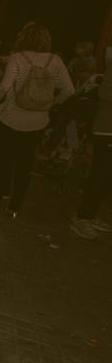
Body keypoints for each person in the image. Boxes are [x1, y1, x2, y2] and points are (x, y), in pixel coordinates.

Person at [0, 23, 74, 218]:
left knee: (2, 164)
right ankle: (14, 208)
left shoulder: (18, 58)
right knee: (25, 166)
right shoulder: (55, 61)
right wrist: (52, 104)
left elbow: (4, 86)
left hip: (10, 117)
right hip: (38, 121)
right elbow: (69, 89)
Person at [70, 58, 112, 239]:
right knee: (100, 174)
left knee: (105, 176)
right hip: (106, 129)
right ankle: (83, 218)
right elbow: (105, 92)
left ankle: (90, 215)